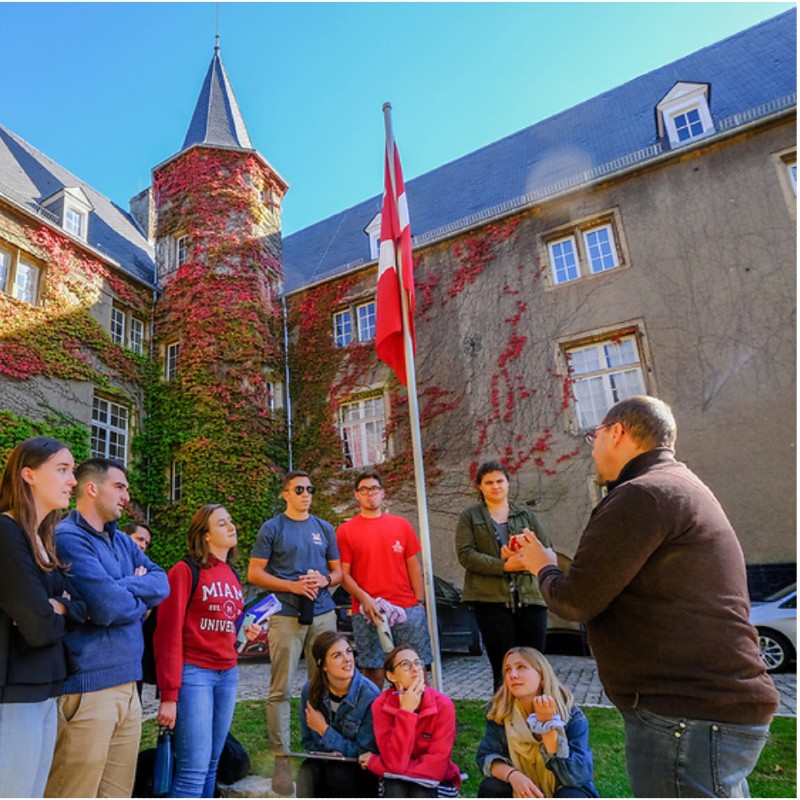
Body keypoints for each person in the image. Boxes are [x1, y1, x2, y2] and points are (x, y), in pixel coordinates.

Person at [517, 395, 780, 798]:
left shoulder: (642, 494)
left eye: (595, 436)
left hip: (684, 715)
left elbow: (574, 600)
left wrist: (542, 565)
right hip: (707, 712)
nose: (593, 448)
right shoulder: (679, 485)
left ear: (617, 432)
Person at [45, 458, 169, 799]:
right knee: (73, 791)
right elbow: (106, 606)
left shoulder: (123, 541)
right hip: (89, 688)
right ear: (91, 488)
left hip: (129, 687)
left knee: (116, 794)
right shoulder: (69, 537)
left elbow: (162, 582)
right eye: (120, 487)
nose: (126, 496)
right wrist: (137, 596)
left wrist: (120, 586)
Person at [154, 504, 260, 797]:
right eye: (222, 523)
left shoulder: (231, 575)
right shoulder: (184, 571)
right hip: (194, 673)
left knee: (212, 764)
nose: (231, 526)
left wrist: (245, 634)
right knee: (192, 770)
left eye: (230, 520)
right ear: (206, 535)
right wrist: (169, 696)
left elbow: (229, 632)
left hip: (228, 673)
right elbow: (168, 633)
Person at [247, 469, 342, 795]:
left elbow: (339, 571)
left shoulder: (324, 528)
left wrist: (324, 581)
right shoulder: (272, 528)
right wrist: (292, 585)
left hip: (323, 613)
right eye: (299, 489)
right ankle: (282, 758)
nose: (306, 494)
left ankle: (321, 750)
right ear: (285, 494)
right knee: (281, 688)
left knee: (324, 685)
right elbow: (255, 572)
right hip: (285, 614)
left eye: (310, 489)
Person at [0, 437, 85, 798]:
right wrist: (54, 606)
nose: (73, 481)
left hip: (46, 688)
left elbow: (82, 606)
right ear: (29, 475)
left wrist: (58, 605)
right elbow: (37, 628)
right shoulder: (7, 532)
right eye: (63, 470)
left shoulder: (42, 539)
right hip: (15, 691)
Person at [455, 460, 553, 690]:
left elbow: (547, 549)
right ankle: (505, 718)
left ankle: (541, 716)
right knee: (503, 666)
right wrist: (504, 565)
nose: (495, 486)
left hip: (530, 597)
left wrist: (525, 556)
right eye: (489, 482)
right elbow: (466, 555)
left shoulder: (526, 515)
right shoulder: (470, 516)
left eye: (500, 481)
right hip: (491, 601)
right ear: (480, 486)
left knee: (535, 664)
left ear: (508, 484)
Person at [337, 470, 432, 688]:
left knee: (416, 671)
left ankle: (420, 719)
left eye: (374, 489)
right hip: (367, 612)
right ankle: (374, 720)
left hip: (406, 608)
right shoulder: (345, 531)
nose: (370, 494)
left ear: (383, 493)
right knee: (374, 674)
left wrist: (419, 602)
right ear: (356, 495)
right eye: (364, 489)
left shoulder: (401, 525)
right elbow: (344, 575)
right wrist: (365, 599)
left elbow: (413, 566)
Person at [476, 647, 597, 798]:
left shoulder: (572, 717)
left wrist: (547, 727)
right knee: (492, 787)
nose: (512, 675)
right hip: (520, 788)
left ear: (542, 676)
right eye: (507, 669)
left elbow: (577, 776)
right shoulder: (501, 713)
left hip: (563, 786)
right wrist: (513, 776)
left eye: (521, 667)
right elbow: (486, 756)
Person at [359, 645, 461, 798]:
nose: (415, 669)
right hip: (395, 780)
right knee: (395, 788)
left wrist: (377, 764)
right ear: (391, 675)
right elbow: (395, 763)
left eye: (418, 663)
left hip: (436, 783)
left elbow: (434, 768)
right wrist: (406, 712)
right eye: (406, 664)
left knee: (420, 793)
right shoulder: (381, 705)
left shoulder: (443, 706)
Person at [297, 630, 381, 798]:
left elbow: (365, 752)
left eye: (349, 651)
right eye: (337, 655)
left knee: (337, 774)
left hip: (359, 767)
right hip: (327, 760)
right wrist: (328, 752)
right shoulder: (310, 690)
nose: (347, 659)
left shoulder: (370, 695)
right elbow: (308, 741)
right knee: (307, 771)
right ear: (323, 664)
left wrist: (325, 732)